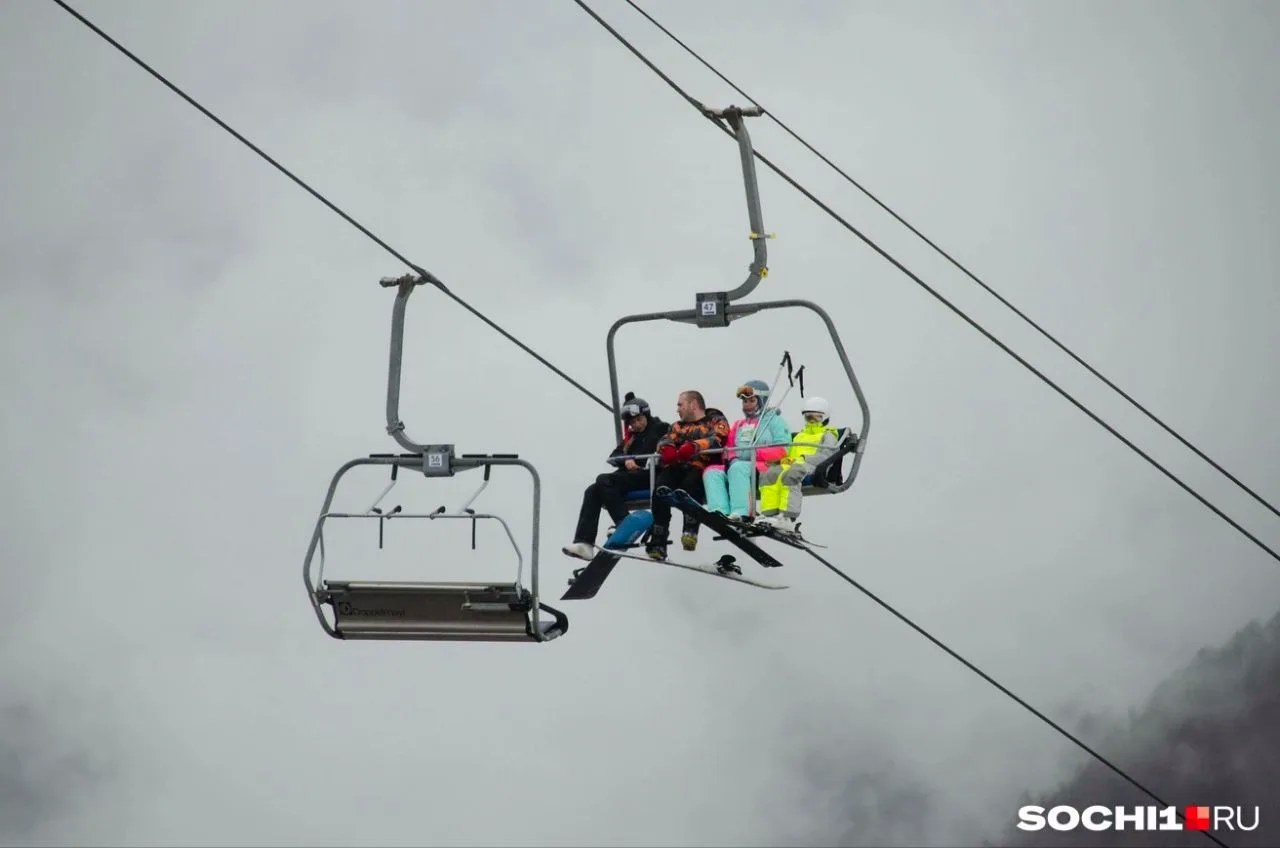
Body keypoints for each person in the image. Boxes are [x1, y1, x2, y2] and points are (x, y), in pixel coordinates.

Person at [561, 393, 669, 560]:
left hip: (649, 475)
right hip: (630, 476)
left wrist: (639, 461)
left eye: (639, 420)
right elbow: (615, 455)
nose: (636, 424)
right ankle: (585, 542)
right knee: (593, 490)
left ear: (646, 415)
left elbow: (659, 449)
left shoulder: (660, 428)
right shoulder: (632, 438)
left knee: (604, 479)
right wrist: (626, 461)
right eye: (632, 423)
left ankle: (623, 521)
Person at [646, 390, 729, 560]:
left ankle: (690, 529)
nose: (677, 409)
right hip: (677, 466)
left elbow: (719, 437)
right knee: (660, 488)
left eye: (680, 405)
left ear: (693, 405)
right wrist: (667, 447)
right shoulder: (678, 425)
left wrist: (694, 446)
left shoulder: (715, 420)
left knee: (691, 485)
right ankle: (659, 538)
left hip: (700, 465)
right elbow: (665, 438)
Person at [702, 379, 791, 521]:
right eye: (744, 402)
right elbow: (730, 448)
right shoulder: (739, 425)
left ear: (761, 401)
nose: (747, 405)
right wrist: (732, 457)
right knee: (712, 471)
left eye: (751, 401)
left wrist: (757, 453)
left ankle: (742, 512)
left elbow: (783, 450)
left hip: (763, 466)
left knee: (738, 468)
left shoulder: (774, 421)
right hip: (739, 466)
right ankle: (719, 511)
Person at [757, 396, 842, 533]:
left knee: (791, 475)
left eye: (817, 417)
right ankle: (769, 515)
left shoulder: (828, 434)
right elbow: (789, 452)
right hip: (794, 463)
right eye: (809, 417)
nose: (812, 420)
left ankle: (787, 518)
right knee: (770, 474)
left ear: (825, 417)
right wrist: (781, 459)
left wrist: (803, 458)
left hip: (813, 466)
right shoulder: (799, 436)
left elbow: (827, 455)